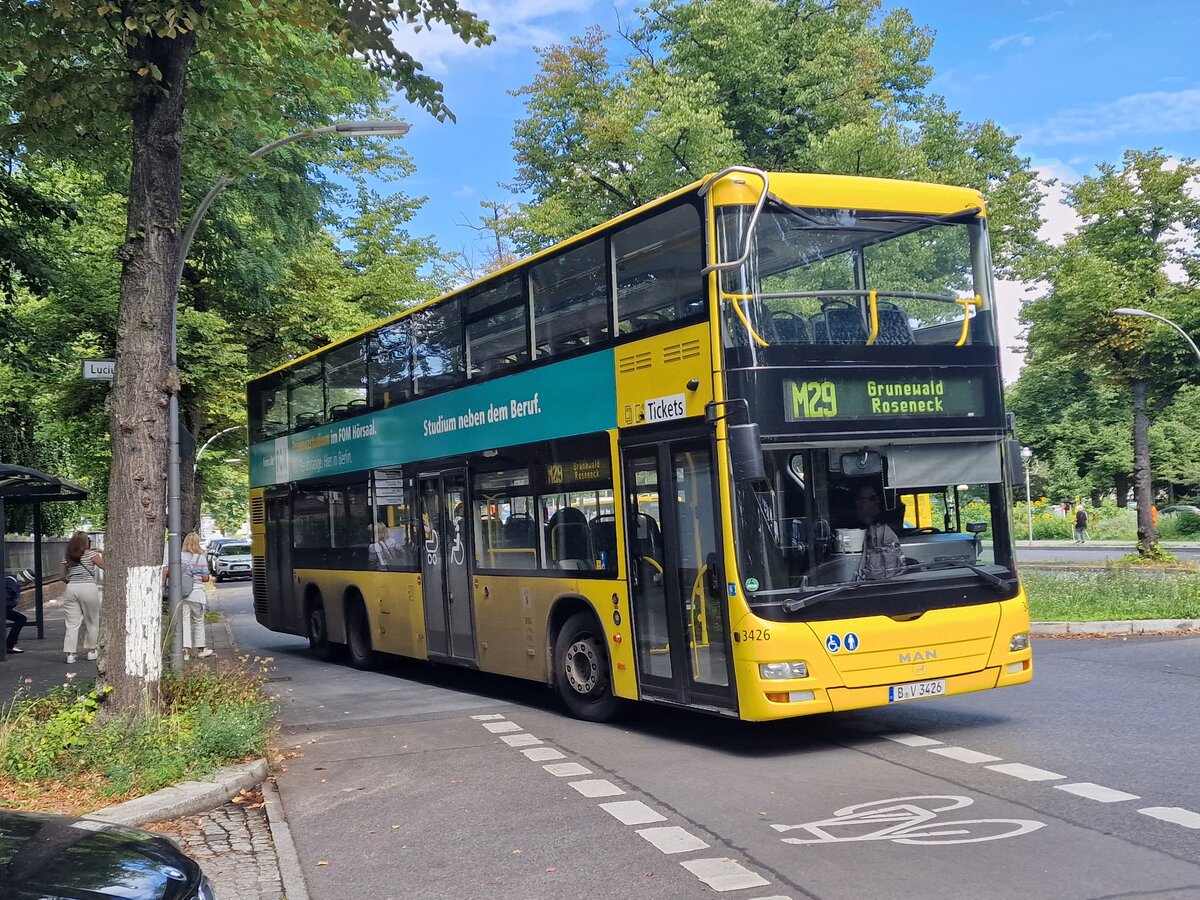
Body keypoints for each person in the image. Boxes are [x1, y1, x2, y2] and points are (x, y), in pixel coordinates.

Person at [164, 532, 213, 661]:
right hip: (197, 593)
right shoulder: (201, 557)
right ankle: (200, 649)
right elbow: (205, 578)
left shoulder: (178, 557)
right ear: (197, 543)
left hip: (182, 593)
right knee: (198, 621)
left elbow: (170, 572)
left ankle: (185, 651)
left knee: (184, 621)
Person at [61, 531, 103, 664]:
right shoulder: (91, 554)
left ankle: (70, 654)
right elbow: (106, 565)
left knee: (71, 623)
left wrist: (72, 584)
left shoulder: (67, 556)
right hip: (88, 588)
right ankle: (91, 651)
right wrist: (101, 552)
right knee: (92, 621)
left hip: (71, 588)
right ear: (86, 542)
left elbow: (62, 576)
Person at [852, 483, 905, 580]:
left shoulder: (882, 526)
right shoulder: (852, 529)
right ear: (858, 502)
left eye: (877, 498)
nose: (878, 501)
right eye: (872, 499)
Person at [4, 574, 27, 654]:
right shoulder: (11, 585)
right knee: (21, 619)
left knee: (20, 618)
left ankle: (9, 645)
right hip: (3, 608)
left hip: (5, 608)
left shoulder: (9, 581)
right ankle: (9, 645)